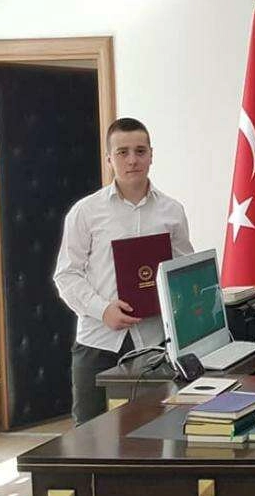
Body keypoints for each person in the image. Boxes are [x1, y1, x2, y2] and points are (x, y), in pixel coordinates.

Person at [53, 118, 194, 424]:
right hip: (98, 342)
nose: (132, 160)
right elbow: (66, 275)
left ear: (151, 155)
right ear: (109, 159)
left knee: (155, 432)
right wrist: (102, 309)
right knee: (89, 437)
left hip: (155, 343)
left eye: (140, 151)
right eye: (122, 152)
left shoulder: (172, 211)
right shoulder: (85, 212)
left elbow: (183, 272)